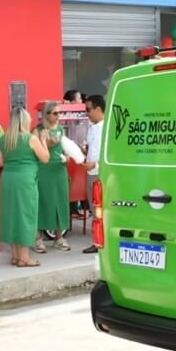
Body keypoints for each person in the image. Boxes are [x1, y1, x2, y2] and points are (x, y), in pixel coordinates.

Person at [0, 106, 50, 267]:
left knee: (11, 215)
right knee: (27, 216)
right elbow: (45, 158)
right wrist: (43, 140)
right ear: (24, 121)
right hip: (25, 180)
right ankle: (24, 257)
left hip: (7, 179)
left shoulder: (4, 139)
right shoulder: (30, 139)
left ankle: (15, 255)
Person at [33, 101, 71, 254]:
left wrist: (68, 157)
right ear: (47, 114)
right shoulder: (38, 130)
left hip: (59, 168)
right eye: (55, 113)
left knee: (60, 201)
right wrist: (47, 143)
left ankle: (59, 237)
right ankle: (38, 239)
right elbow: (34, 151)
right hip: (44, 169)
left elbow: (66, 148)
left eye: (59, 113)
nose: (58, 116)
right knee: (43, 202)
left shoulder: (61, 129)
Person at [81, 94, 105, 254]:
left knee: (102, 210)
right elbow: (91, 150)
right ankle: (97, 241)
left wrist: (95, 164)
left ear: (98, 109)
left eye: (88, 109)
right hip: (90, 173)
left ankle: (102, 242)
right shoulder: (91, 129)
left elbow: (110, 154)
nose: (87, 113)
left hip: (102, 173)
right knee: (94, 209)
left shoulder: (108, 128)